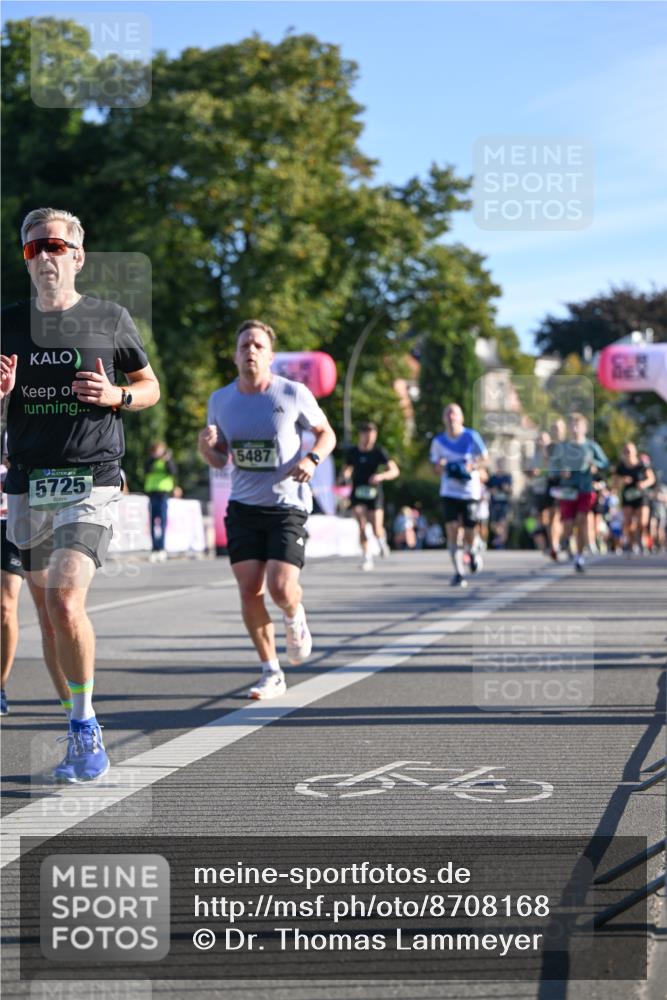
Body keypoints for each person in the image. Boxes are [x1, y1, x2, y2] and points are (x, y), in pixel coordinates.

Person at [0, 207, 160, 780]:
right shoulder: (7, 323)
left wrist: (116, 396)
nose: (44, 256)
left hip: (91, 478)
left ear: (78, 256)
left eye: (54, 245)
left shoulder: (109, 317)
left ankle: (85, 727)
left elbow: (150, 387)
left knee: (67, 600)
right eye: (31, 248)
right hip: (28, 484)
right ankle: (77, 722)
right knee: (49, 619)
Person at [198, 319, 336, 700]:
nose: (251, 351)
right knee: (249, 591)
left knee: (279, 586)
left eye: (258, 345)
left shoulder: (292, 393)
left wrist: (311, 458)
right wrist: (205, 447)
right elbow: (219, 459)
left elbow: (327, 433)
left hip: (286, 506)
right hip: (243, 507)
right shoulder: (220, 400)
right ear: (235, 355)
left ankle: (294, 617)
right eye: (244, 346)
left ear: (270, 356)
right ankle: (271, 670)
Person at [430, 402, 488, 588]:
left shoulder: (471, 436)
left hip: (470, 491)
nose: (451, 417)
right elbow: (435, 468)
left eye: (454, 414)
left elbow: (485, 458)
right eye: (448, 414)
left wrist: (473, 466)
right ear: (443, 418)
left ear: (461, 418)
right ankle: (458, 573)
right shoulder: (438, 442)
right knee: (452, 530)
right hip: (449, 491)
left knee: (470, 531)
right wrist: (440, 465)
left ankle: (471, 551)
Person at [552, 413, 608, 572]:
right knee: (568, 524)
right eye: (572, 425)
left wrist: (595, 464)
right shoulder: (562, 447)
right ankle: (566, 541)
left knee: (583, 520)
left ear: (585, 428)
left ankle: (579, 556)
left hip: (586, 488)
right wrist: (560, 472)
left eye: (578, 425)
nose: (575, 428)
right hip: (568, 489)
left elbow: (605, 462)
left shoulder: (591, 446)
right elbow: (553, 465)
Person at [341, 421, 400, 571]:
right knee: (361, 524)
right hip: (358, 492)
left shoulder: (379, 451)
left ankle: (381, 541)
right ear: (360, 435)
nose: (369, 439)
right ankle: (367, 557)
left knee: (376, 528)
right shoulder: (353, 452)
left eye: (372, 436)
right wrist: (344, 477)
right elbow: (347, 468)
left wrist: (381, 476)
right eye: (366, 435)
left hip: (374, 493)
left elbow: (395, 471)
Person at [613, 442, 655, 553]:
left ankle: (641, 538)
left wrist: (643, 484)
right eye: (626, 451)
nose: (628, 453)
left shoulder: (642, 465)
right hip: (628, 496)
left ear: (635, 451)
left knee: (643, 521)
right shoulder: (621, 467)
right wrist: (622, 481)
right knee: (628, 522)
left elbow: (651, 478)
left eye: (630, 450)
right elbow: (615, 484)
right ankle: (632, 543)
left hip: (641, 495)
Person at [144, 441, 177, 560]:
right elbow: (147, 470)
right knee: (153, 522)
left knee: (162, 522)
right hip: (152, 493)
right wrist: (154, 459)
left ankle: (162, 548)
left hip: (163, 494)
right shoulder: (149, 461)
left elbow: (173, 472)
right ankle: (154, 548)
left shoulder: (167, 461)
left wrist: (167, 460)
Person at [487, 457, 513, 549]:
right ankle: (500, 539)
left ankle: (500, 542)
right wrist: (492, 490)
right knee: (493, 524)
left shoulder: (507, 477)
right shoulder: (493, 477)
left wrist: (506, 488)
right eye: (499, 464)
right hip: (494, 503)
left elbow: (510, 490)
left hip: (504, 504)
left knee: (503, 523)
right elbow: (488, 489)